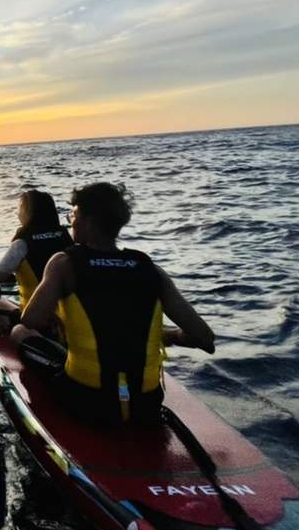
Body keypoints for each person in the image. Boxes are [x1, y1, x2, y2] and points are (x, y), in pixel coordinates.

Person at [18, 182, 215, 427]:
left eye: (74, 214)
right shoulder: (150, 269)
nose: (71, 221)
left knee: (19, 333)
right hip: (146, 404)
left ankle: (34, 405)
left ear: (90, 222)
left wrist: (65, 322)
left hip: (85, 400)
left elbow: (31, 320)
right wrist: (170, 336)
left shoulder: (63, 264)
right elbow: (205, 338)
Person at [0, 189, 72, 310]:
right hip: (68, 312)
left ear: (27, 211)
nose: (17, 213)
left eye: (19, 208)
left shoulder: (22, 244)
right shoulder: (67, 237)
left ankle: (8, 328)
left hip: (35, 314)